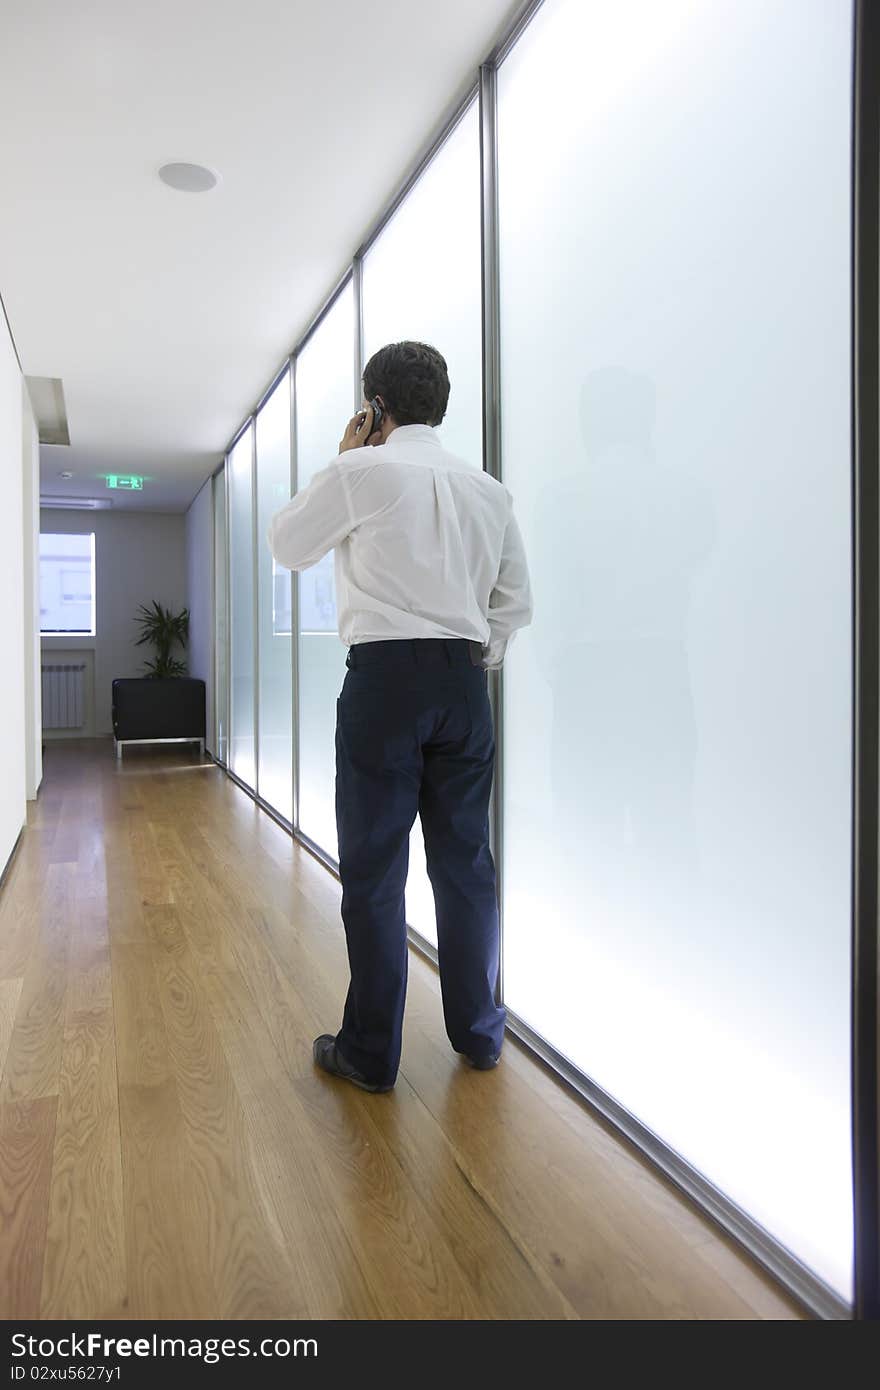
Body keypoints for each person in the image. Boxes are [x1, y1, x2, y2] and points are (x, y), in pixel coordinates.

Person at [267, 341, 532, 1093]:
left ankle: (370, 1054)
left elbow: (288, 544)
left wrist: (340, 456)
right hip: (464, 684)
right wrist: (474, 662)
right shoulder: (488, 489)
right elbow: (515, 603)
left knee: (377, 873)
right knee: (466, 865)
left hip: (384, 685)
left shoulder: (361, 470)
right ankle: (480, 1035)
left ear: (375, 407)